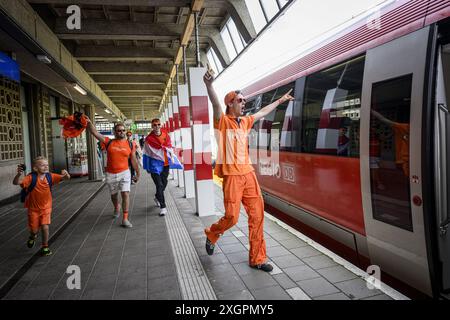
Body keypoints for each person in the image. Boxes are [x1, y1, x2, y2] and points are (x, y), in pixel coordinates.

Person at [203, 68, 294, 272]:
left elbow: (261, 112)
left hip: (248, 174)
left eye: (244, 101)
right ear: (231, 103)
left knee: (257, 215)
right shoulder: (222, 122)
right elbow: (216, 105)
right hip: (232, 177)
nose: (244, 103)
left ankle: (257, 258)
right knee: (232, 218)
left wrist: (280, 101)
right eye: (241, 100)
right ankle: (212, 233)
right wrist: (210, 86)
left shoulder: (245, 122)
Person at [85, 119, 140, 228]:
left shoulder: (130, 144)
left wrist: (138, 173)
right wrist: (89, 122)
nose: (122, 132)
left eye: (123, 130)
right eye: (119, 131)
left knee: (125, 194)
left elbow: (133, 160)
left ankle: (125, 218)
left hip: (125, 172)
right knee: (114, 195)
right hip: (111, 174)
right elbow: (94, 133)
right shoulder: (108, 141)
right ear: (114, 132)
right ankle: (116, 207)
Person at [13, 157, 71, 256]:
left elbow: (65, 178)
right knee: (34, 230)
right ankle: (32, 237)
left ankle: (45, 246)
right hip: (33, 209)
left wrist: (66, 174)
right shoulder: (31, 178)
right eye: (42, 165)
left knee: (45, 227)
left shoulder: (50, 176)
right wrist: (19, 174)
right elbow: (16, 182)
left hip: (46, 208)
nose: (46, 167)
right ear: (35, 168)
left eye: (47, 165)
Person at [144, 118, 171, 216]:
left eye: (158, 124)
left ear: (161, 125)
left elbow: (169, 146)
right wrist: (147, 166)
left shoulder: (165, 135)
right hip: (154, 165)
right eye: (154, 125)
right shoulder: (148, 139)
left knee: (165, 182)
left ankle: (157, 196)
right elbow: (146, 153)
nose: (157, 126)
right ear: (152, 126)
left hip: (165, 163)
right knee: (159, 185)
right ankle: (163, 207)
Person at [371, 109, 410, 177]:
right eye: (372, 125)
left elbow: (383, 119)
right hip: (373, 155)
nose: (374, 127)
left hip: (377, 155)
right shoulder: (405, 127)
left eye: (375, 125)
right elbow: (382, 119)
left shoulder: (406, 127)